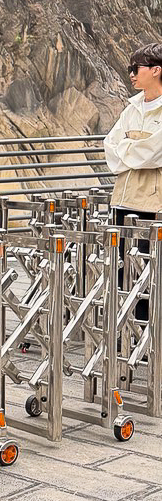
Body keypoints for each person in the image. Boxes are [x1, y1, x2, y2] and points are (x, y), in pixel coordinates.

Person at [104, 43, 162, 321]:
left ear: (156, 70)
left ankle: (148, 332)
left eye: (136, 68)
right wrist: (135, 148)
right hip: (121, 201)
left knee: (148, 273)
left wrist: (127, 145)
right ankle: (126, 331)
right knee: (121, 270)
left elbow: (153, 152)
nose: (131, 74)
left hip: (151, 205)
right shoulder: (132, 108)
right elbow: (110, 148)